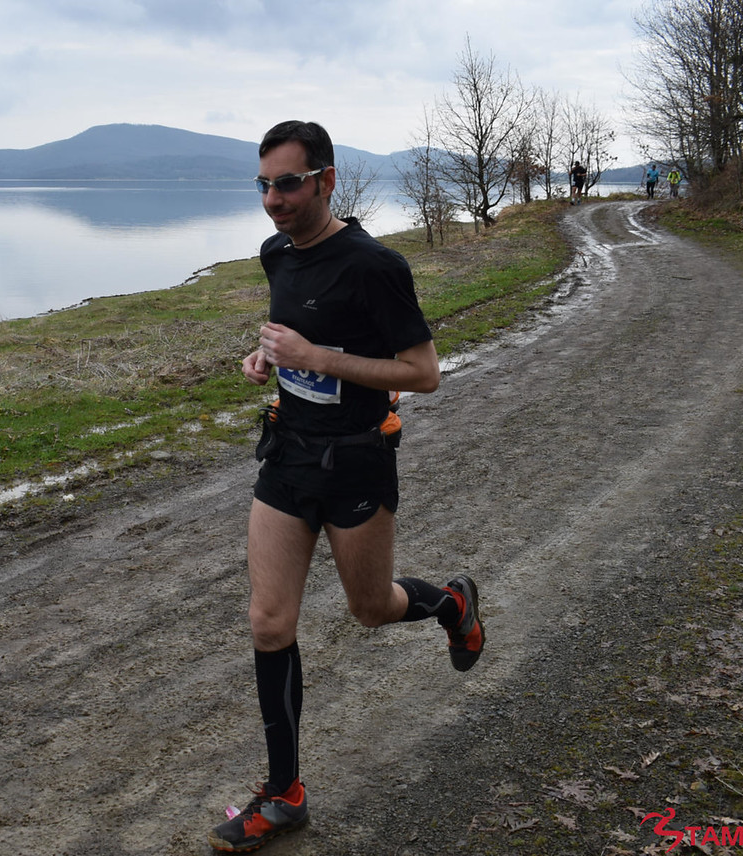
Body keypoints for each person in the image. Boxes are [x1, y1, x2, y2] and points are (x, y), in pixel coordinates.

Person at [208, 120, 486, 853]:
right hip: (288, 457)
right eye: (264, 185)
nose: (273, 200)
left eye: (288, 184)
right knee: (269, 622)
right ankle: (284, 795)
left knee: (370, 608)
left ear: (326, 180)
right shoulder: (275, 254)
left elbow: (423, 373)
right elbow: (293, 329)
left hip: (358, 460)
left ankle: (452, 602)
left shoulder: (375, 267)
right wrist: (267, 357)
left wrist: (317, 358)